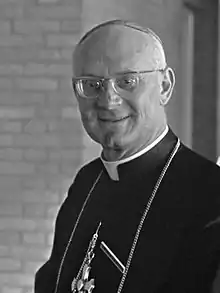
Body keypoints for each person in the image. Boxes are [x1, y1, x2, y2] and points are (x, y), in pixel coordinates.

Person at [34, 19, 220, 293]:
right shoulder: (87, 180)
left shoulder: (211, 194)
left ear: (165, 86)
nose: (108, 100)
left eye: (128, 81)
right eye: (91, 85)